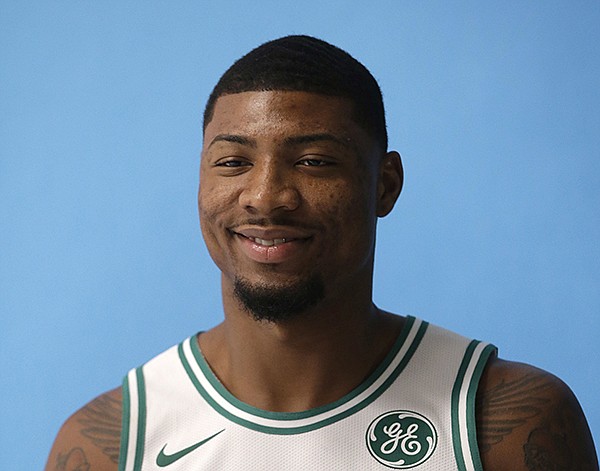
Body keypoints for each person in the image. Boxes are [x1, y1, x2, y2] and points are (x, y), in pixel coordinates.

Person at [45, 35, 598, 471]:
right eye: (233, 162)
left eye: (313, 161)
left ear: (385, 185)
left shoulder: (503, 421)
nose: (265, 197)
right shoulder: (109, 446)